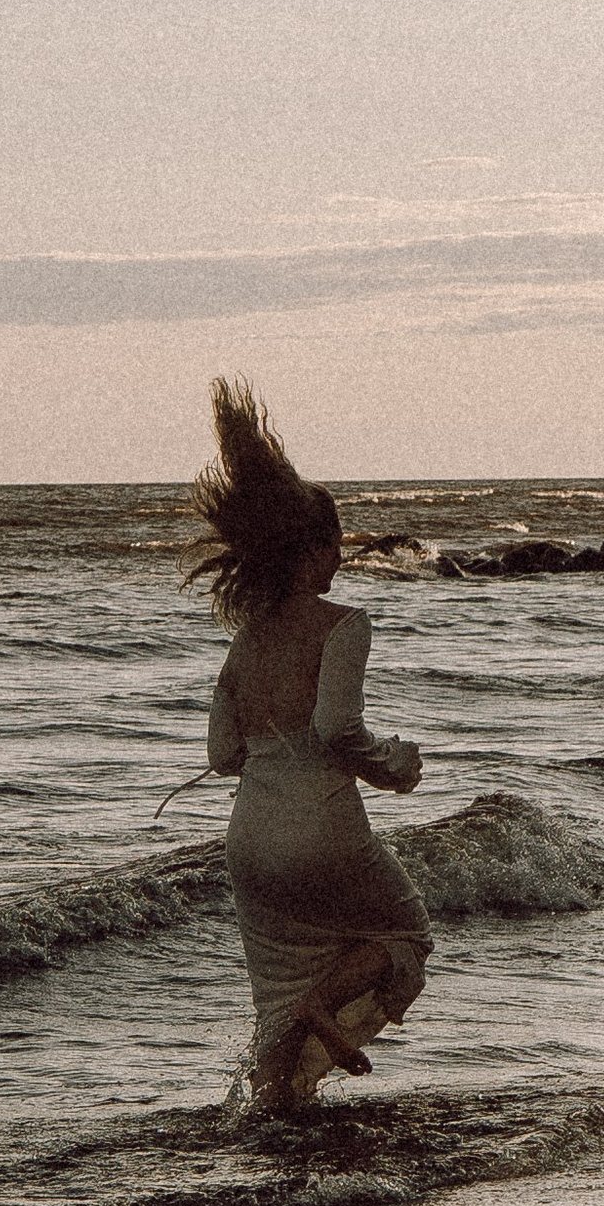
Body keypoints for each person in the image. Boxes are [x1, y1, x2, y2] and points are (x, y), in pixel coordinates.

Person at [188, 379, 432, 1116]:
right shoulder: (344, 624)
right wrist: (394, 766)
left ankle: (268, 1118)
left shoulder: (247, 637)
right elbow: (335, 730)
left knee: (274, 1000)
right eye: (335, 544)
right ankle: (321, 1007)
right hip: (321, 828)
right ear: (311, 548)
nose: (340, 559)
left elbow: (222, 754)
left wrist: (269, 754)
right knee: (403, 933)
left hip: (250, 841)